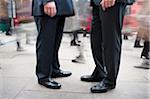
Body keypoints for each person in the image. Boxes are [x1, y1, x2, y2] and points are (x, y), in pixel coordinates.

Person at [81, 0, 135, 93]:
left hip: (113, 3)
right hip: (97, 2)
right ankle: (100, 71)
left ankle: (110, 79)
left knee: (110, 40)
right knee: (96, 38)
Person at [32, 0, 74, 89]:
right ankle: (43, 76)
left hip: (59, 5)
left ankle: (54, 69)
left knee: (55, 41)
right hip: (49, 4)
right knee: (46, 43)